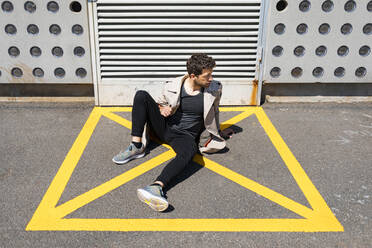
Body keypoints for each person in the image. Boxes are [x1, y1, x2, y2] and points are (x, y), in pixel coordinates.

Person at [112, 53, 232, 212]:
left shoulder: (215, 88)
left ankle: (156, 187)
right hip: (165, 127)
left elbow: (214, 112)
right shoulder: (174, 85)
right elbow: (158, 104)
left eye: (211, 74)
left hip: (185, 136)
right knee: (141, 95)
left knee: (188, 152)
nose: (211, 78)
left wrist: (218, 133)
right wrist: (162, 109)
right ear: (193, 76)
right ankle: (136, 146)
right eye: (207, 75)